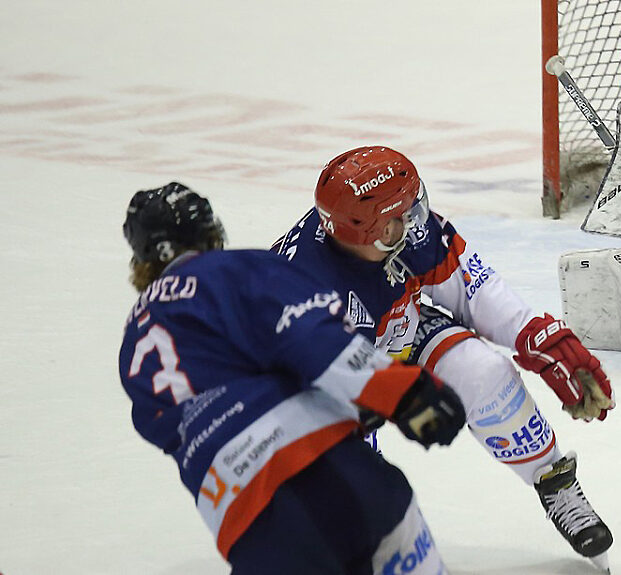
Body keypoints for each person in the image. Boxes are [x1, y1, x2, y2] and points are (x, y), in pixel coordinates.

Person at [273, 146, 615, 567]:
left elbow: (473, 288)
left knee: (486, 373)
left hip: (401, 333)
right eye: (401, 217)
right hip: (312, 389)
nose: (416, 222)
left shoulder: (398, 233)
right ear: (366, 232)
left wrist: (537, 337)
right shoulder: (306, 298)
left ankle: (553, 482)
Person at [118, 182, 466, 574]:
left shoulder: (133, 347)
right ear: (209, 232)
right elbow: (312, 338)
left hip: (251, 531)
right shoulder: (233, 270)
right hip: (335, 478)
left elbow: (176, 426)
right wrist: (408, 393)